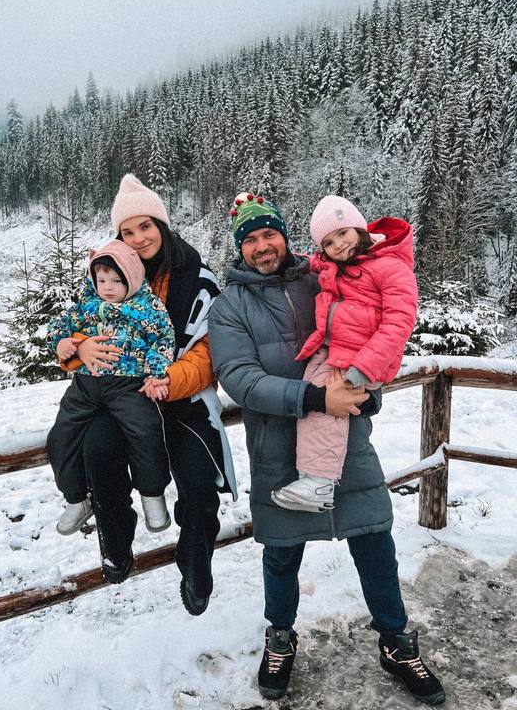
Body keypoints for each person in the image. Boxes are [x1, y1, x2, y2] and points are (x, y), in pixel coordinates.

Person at [208, 193, 445, 705]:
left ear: (285, 236)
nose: (262, 246)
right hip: (278, 448)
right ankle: (280, 636)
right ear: (239, 248)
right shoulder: (229, 306)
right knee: (281, 552)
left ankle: (396, 641)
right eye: (250, 240)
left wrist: (367, 394)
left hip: (348, 441)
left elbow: (373, 328)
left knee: (375, 541)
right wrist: (317, 398)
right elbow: (240, 379)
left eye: (269, 234)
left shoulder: (325, 275)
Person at [63, 174, 237, 615]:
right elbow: (78, 326)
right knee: (98, 450)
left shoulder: (197, 279)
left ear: (162, 225)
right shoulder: (107, 272)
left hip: (181, 398)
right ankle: (116, 539)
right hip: (123, 394)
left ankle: (195, 564)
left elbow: (209, 350)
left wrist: (169, 380)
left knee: (198, 482)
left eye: (146, 226)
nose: (139, 238)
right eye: (128, 231)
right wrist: (79, 348)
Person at [272, 195, 418, 512]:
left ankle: (319, 483)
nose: (338, 244)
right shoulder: (340, 265)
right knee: (314, 395)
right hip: (337, 350)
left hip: (360, 359)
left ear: (359, 228)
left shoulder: (390, 267)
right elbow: (312, 263)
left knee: (323, 400)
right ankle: (313, 478)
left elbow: (399, 322)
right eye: (328, 242)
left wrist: (364, 368)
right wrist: (286, 259)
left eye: (342, 233)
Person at [46, 239, 175, 539]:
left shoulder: (147, 306)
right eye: (102, 280)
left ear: (132, 278)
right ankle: (76, 497)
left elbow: (164, 339)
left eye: (116, 281)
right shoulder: (87, 304)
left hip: (128, 385)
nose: (107, 287)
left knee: (145, 430)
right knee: (62, 435)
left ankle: (152, 493)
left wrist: (155, 373)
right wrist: (63, 342)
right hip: (86, 384)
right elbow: (59, 325)